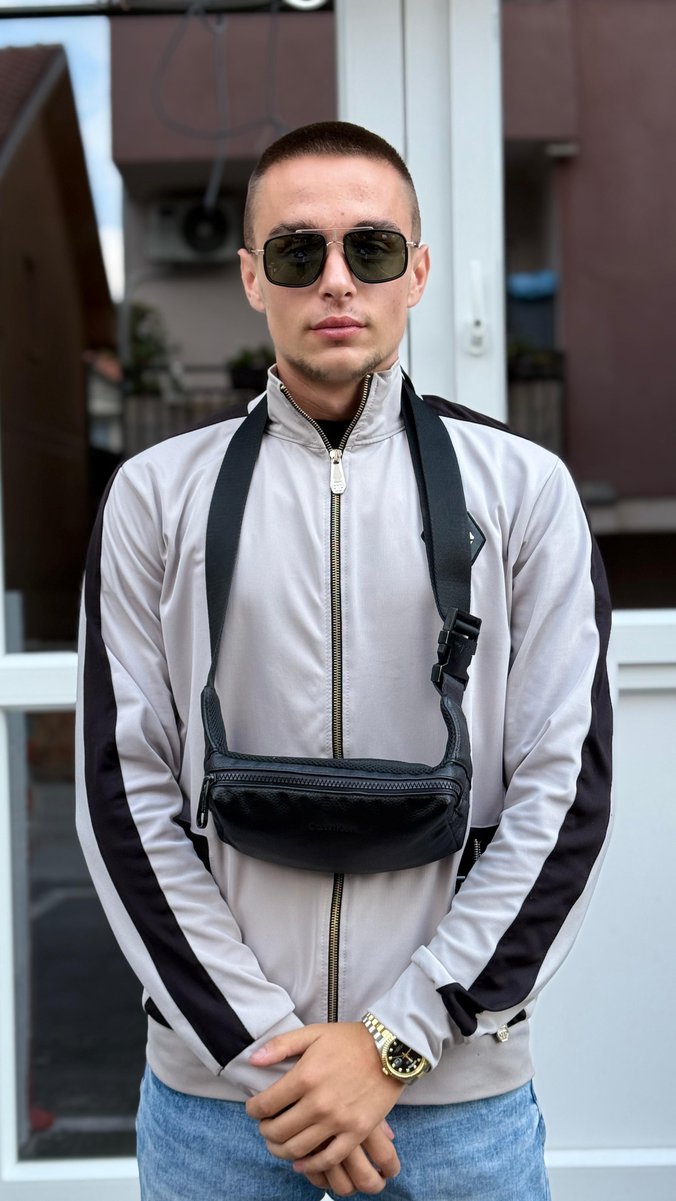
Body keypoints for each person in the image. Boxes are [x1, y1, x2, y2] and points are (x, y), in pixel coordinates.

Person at [76, 121, 613, 1201]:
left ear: (417, 271)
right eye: (296, 250)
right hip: (222, 1103)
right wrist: (276, 1059)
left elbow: (565, 794)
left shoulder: (524, 491)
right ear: (250, 277)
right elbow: (122, 792)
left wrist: (393, 1044)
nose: (335, 280)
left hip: (454, 1100)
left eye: (370, 248)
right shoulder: (155, 496)